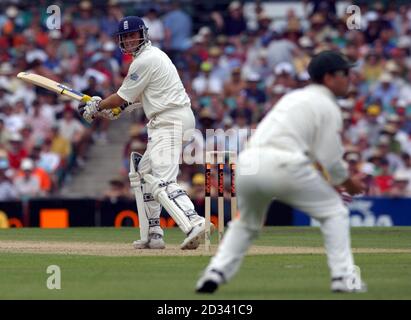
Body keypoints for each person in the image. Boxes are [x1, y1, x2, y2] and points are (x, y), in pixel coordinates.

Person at [196, 50, 367, 294]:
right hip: (282, 163)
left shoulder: (293, 97)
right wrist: (348, 183)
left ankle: (215, 272)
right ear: (329, 77)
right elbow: (330, 157)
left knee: (246, 223)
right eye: (345, 73)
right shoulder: (326, 105)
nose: (349, 78)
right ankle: (343, 277)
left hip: (248, 164)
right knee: (334, 212)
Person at [78, 16, 208, 250]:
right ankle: (153, 234)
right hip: (172, 118)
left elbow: (120, 98)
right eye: (124, 37)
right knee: (142, 173)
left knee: (162, 180)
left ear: (142, 35)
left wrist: (97, 107)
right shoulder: (153, 57)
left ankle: (194, 222)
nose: (128, 40)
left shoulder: (145, 60)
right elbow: (132, 100)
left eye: (132, 35)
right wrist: (109, 110)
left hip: (169, 120)